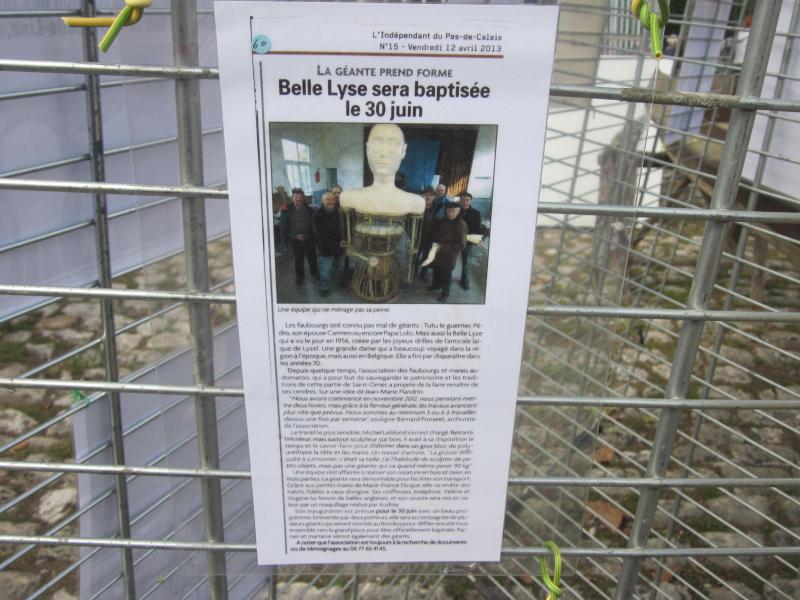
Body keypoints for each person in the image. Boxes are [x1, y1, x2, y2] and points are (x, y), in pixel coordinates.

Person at [339, 124, 425, 302]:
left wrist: (408, 275)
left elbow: (412, 249)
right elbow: (348, 247)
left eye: (392, 143)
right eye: (377, 142)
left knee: (386, 283)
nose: (383, 153)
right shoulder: (348, 197)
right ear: (367, 149)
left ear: (403, 151)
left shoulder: (415, 202)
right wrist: (367, 259)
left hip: (390, 266)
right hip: (364, 266)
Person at [428, 200, 467, 302]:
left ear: (458, 212)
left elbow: (461, 244)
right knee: (436, 269)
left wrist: (446, 248)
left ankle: (445, 293)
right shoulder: (443, 221)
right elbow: (437, 234)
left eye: (453, 211)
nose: (451, 214)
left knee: (446, 273)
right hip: (438, 250)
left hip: (450, 254)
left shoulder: (461, 224)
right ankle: (436, 285)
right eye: (449, 211)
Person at [281, 187, 319, 285]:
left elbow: (314, 225)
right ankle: (300, 277)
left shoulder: (310, 209)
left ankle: (314, 273)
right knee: (298, 260)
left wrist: (313, 237)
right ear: (292, 198)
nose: (298, 199)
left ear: (303, 197)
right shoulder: (286, 210)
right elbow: (284, 227)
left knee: (312, 258)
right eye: (296, 197)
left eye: (300, 196)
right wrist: (295, 236)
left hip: (309, 239)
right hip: (296, 240)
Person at [313, 192, 346, 297]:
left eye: (332, 199)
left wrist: (344, 239)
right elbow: (320, 235)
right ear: (322, 201)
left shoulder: (338, 213)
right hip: (326, 248)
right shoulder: (318, 215)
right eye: (327, 199)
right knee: (326, 270)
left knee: (339, 267)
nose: (330, 201)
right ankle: (325, 287)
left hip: (339, 247)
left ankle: (338, 281)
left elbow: (342, 229)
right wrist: (338, 243)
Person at [458, 192, 481, 290]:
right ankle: (445, 279)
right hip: (455, 240)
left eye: (467, 200)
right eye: (463, 200)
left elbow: (477, 229)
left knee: (466, 262)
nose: (465, 202)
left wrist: (477, 240)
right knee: (450, 260)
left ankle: (464, 280)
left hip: (468, 241)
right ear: (460, 200)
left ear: (470, 201)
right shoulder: (456, 211)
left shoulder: (476, 213)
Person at [416, 186, 437, 282]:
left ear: (434, 197)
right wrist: (411, 235)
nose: (428, 197)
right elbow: (409, 222)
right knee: (415, 255)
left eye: (431, 195)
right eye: (426, 195)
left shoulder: (437, 209)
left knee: (427, 256)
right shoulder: (417, 208)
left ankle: (424, 274)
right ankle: (413, 272)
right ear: (422, 196)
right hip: (417, 237)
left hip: (430, 237)